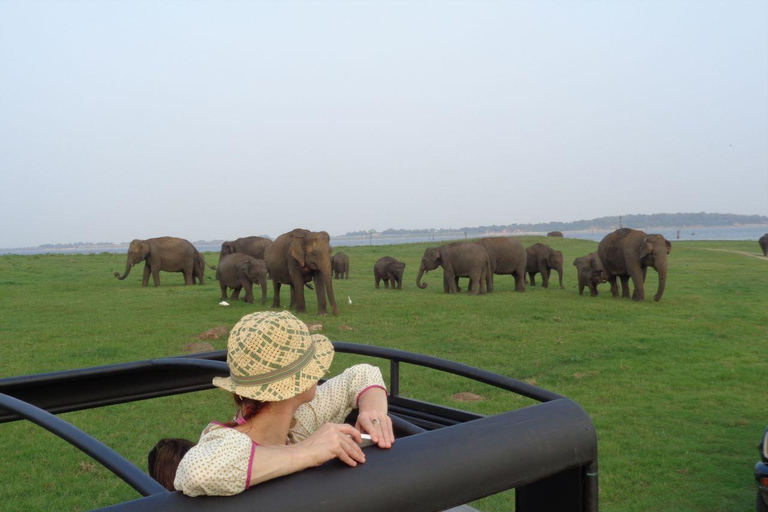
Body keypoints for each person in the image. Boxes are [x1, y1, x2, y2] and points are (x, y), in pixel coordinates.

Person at [174, 310, 394, 496]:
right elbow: (196, 472)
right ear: (295, 386)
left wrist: (373, 416)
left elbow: (362, 374)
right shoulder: (226, 444)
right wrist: (308, 451)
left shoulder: (297, 419)